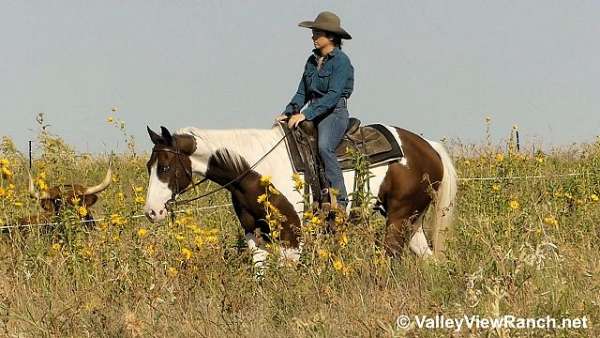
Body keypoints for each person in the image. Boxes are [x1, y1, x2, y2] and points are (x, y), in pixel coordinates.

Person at [277, 11, 354, 210]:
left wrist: (306, 114)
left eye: (317, 34)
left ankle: (341, 201)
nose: (313, 37)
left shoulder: (341, 61)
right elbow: (301, 92)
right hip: (314, 111)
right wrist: (289, 112)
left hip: (334, 113)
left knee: (324, 147)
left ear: (330, 37)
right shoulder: (311, 62)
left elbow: (333, 95)